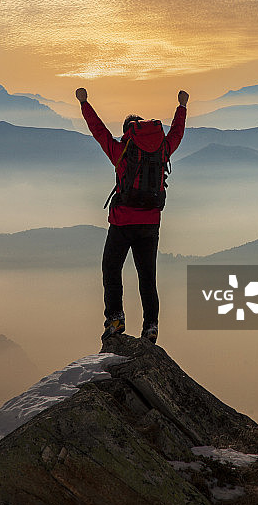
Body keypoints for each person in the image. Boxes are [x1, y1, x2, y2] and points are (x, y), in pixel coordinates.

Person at [75, 87, 188, 344]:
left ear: (128, 133)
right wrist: (182, 107)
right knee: (147, 276)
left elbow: (98, 131)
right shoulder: (162, 149)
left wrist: (84, 103)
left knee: (111, 269)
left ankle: (115, 320)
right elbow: (177, 133)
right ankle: (151, 326)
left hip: (122, 222)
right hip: (150, 224)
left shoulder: (121, 152)